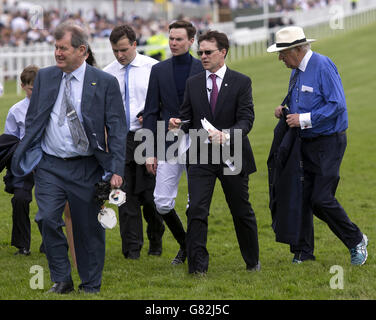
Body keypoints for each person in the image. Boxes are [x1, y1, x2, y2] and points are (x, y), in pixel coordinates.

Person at [11, 21, 127, 294]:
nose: (58, 53)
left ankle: (90, 284)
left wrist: (116, 168)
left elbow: (118, 129)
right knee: (46, 219)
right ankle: (62, 279)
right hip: (50, 166)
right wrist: (30, 153)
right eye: (56, 48)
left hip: (87, 166)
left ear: (82, 50)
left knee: (88, 229)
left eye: (63, 48)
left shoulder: (105, 82)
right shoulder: (45, 77)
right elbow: (35, 118)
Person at [267, 26, 368, 265]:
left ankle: (356, 240)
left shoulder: (323, 65)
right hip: (304, 143)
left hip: (328, 143)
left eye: (283, 53)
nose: (280, 58)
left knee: (321, 199)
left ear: (297, 49)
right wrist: (285, 109)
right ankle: (303, 252)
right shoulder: (296, 71)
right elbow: (300, 99)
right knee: (300, 196)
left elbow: (337, 105)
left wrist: (303, 119)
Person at [169, 30, 260, 275]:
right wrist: (179, 123)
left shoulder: (242, 82)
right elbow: (188, 117)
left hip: (233, 153)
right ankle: (197, 268)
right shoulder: (193, 82)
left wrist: (227, 134)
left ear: (223, 52)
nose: (203, 56)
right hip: (200, 154)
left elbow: (246, 120)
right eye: (200, 52)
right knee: (196, 209)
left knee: (240, 210)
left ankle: (252, 262)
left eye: (208, 52)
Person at [143, 20, 203, 265]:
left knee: (195, 202)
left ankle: (194, 250)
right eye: (171, 38)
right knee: (162, 202)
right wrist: (148, 151)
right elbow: (149, 112)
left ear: (191, 41)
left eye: (179, 39)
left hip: (198, 138)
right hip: (167, 140)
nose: (174, 43)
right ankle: (186, 244)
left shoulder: (202, 68)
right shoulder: (158, 70)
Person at [103, 24, 165, 260]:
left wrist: (152, 112)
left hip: (147, 136)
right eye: (115, 51)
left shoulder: (153, 68)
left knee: (149, 197)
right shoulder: (107, 73)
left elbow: (165, 102)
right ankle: (131, 250)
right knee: (123, 196)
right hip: (120, 139)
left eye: (124, 50)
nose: (120, 55)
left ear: (135, 45)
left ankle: (156, 236)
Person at [3, 65, 38, 256]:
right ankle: (22, 245)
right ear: (23, 86)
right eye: (32, 88)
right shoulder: (16, 111)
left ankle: (49, 241)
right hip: (24, 162)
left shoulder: (50, 107)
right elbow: (10, 140)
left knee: (51, 202)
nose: (36, 91)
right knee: (20, 199)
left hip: (47, 161)